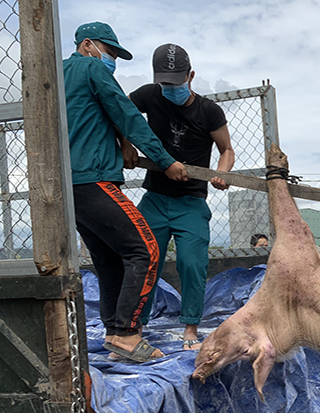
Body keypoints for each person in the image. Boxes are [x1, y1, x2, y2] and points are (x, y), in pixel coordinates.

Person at [64, 22, 188, 362]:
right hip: (94, 178)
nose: (112, 59)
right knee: (144, 250)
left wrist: (122, 143)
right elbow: (127, 113)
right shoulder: (90, 67)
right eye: (109, 51)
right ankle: (128, 335)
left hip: (66, 185)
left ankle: (113, 335)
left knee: (108, 261)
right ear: (87, 45)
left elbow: (100, 118)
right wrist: (165, 161)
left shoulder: (58, 76)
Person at [122, 44, 235, 350]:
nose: (170, 89)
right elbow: (120, 112)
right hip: (155, 198)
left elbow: (226, 150)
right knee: (143, 260)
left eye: (176, 82)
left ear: (191, 76)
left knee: (191, 262)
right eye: (165, 83)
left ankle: (190, 329)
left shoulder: (209, 111)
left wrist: (221, 174)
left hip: (191, 202)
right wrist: (125, 145)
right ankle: (134, 327)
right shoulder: (149, 95)